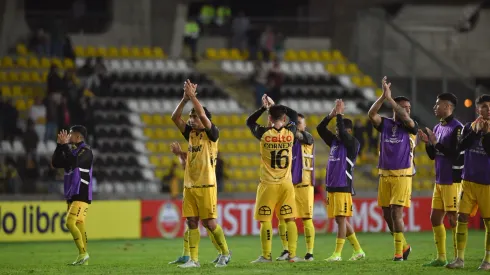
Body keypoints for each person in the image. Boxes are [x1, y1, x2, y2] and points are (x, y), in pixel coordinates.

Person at [170, 80, 231, 268]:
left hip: (206, 185)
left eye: (194, 117)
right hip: (190, 185)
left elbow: (203, 115)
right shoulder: (191, 134)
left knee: (210, 223)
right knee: (192, 222)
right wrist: (184, 98)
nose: (190, 119)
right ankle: (194, 260)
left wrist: (194, 97)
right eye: (190, 116)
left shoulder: (212, 134)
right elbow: (174, 118)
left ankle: (225, 253)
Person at [246, 94, 301, 263]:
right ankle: (291, 255)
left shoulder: (263, 133)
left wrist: (264, 107)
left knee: (265, 220)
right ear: (283, 118)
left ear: (269, 118)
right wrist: (276, 105)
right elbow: (295, 116)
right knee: (289, 219)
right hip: (286, 184)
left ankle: (266, 255)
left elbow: (249, 121)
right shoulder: (291, 132)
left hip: (268, 185)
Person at [368, 76, 417, 261]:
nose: (407, 111)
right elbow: (371, 114)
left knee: (396, 212)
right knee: (387, 215)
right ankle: (404, 246)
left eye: (409, 108)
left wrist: (390, 100)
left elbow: (405, 118)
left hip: (402, 175)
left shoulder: (411, 126)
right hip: (384, 174)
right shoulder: (386, 124)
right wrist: (383, 97)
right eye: (405, 107)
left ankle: (398, 254)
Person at [417, 93, 464, 266]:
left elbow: (456, 155)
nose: (434, 107)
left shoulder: (457, 128)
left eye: (437, 104)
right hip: (439, 180)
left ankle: (459, 258)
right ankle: (441, 257)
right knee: (435, 218)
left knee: (452, 218)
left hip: (452, 180)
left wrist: (436, 143)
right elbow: (432, 156)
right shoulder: (437, 127)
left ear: (447, 106)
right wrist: (428, 143)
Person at [317, 99, 365, 261]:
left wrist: (340, 114)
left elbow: (343, 135)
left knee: (342, 220)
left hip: (343, 184)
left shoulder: (352, 143)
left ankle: (337, 254)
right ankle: (358, 251)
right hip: (332, 186)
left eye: (339, 129)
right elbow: (320, 129)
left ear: (349, 131)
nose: (337, 132)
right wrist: (331, 115)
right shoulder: (335, 142)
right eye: (336, 129)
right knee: (339, 220)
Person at [446, 94, 490, 270]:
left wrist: (485, 134)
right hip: (468, 181)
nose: (488, 109)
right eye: (485, 106)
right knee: (461, 217)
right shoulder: (468, 127)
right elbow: (460, 147)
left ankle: (487, 261)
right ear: (477, 109)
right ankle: (460, 259)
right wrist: (475, 131)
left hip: (487, 183)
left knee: (488, 221)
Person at [276, 113, 316, 261]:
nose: (297, 125)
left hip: (304, 185)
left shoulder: (308, 139)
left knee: (306, 219)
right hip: (288, 185)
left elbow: (301, 136)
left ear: (304, 126)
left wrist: (291, 128)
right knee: (285, 218)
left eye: (299, 123)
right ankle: (287, 251)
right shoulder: (288, 141)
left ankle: (309, 253)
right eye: (296, 123)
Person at [51, 126, 93, 266]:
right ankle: (84, 258)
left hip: (81, 191)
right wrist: (59, 146)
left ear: (78, 136)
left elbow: (74, 162)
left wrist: (64, 146)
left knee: (69, 222)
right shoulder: (73, 151)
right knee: (79, 224)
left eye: (71, 134)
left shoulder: (86, 151)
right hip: (71, 192)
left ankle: (82, 253)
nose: (68, 136)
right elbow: (56, 163)